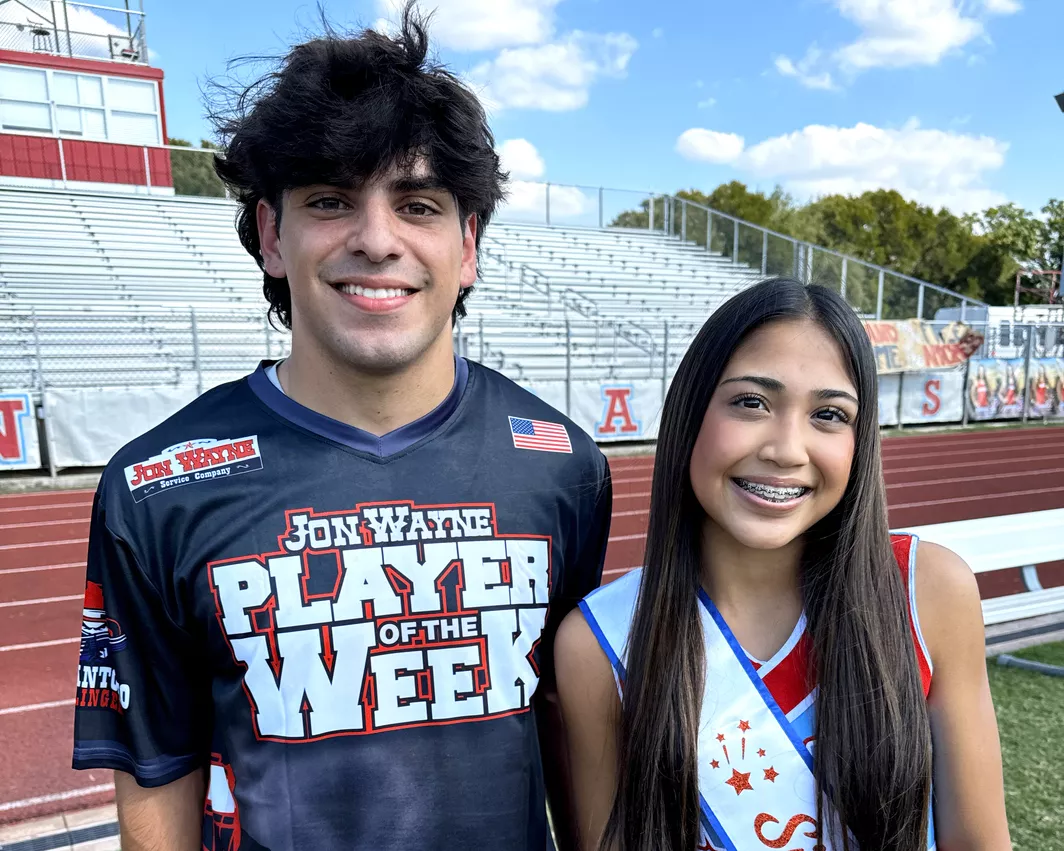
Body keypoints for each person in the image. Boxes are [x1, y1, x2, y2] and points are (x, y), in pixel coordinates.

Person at [71, 7, 612, 850]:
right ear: (271, 234)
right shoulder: (155, 488)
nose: (377, 240)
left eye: (418, 205)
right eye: (330, 200)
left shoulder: (562, 465)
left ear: (468, 245)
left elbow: (569, 727)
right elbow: (157, 770)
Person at [554, 279, 1011, 851]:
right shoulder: (599, 644)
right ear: (690, 413)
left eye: (829, 414)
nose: (787, 450)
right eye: (752, 402)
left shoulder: (927, 591)